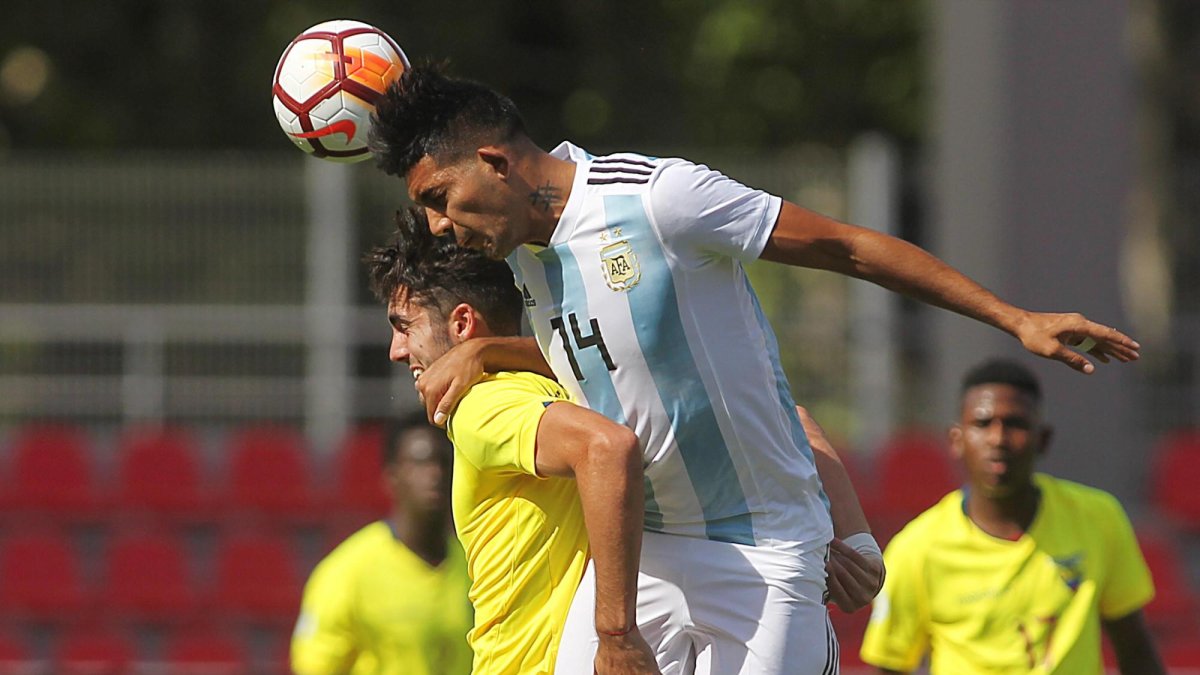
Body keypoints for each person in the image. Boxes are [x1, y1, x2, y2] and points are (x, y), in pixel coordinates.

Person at [367, 64, 1137, 674]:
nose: (439, 224)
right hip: (652, 548)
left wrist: (1015, 317)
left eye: (440, 196)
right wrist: (485, 348)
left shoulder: (661, 200)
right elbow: (606, 354)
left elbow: (845, 246)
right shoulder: (528, 257)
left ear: (496, 162)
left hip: (766, 548)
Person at [364, 207, 659, 674]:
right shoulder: (578, 385)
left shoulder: (481, 406)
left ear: (462, 324)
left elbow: (606, 449)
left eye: (405, 326)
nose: (396, 350)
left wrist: (615, 635)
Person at [860, 358, 1164, 674]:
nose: (998, 439)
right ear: (957, 440)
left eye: (1016, 423)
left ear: (1043, 439)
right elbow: (890, 666)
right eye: (982, 424)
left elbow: (1135, 647)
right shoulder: (916, 549)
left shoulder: (1099, 518)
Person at [291, 411, 473, 675]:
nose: (435, 474)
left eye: (444, 462)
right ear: (392, 476)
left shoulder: (474, 568)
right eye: (420, 462)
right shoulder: (347, 573)